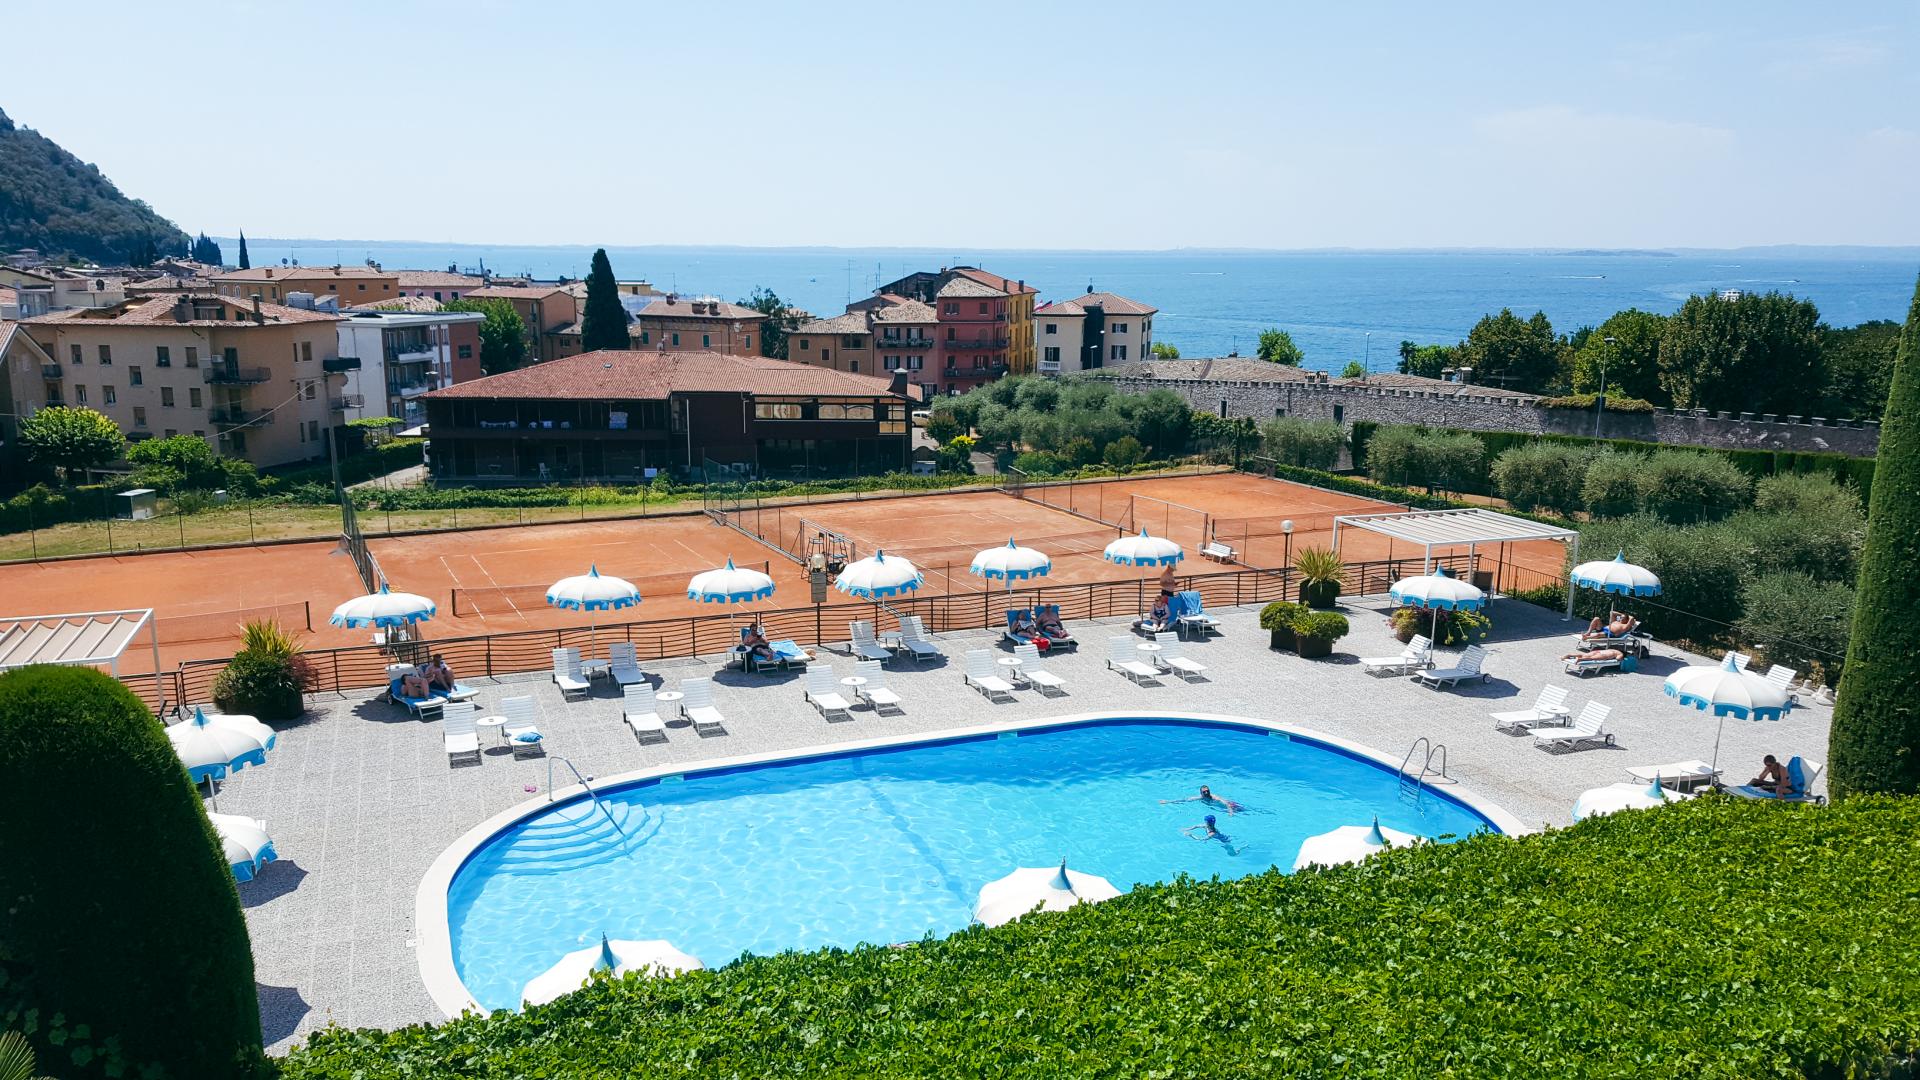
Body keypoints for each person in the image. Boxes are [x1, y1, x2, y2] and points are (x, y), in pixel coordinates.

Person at [1160, 784, 1241, 814]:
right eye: (1204, 792)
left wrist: (1230, 812)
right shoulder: (1199, 798)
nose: (1206, 793)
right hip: (1224, 808)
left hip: (1233, 805)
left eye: (1207, 791)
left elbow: (1226, 803)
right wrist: (1168, 802)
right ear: (1201, 793)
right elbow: (1184, 800)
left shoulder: (1214, 797)